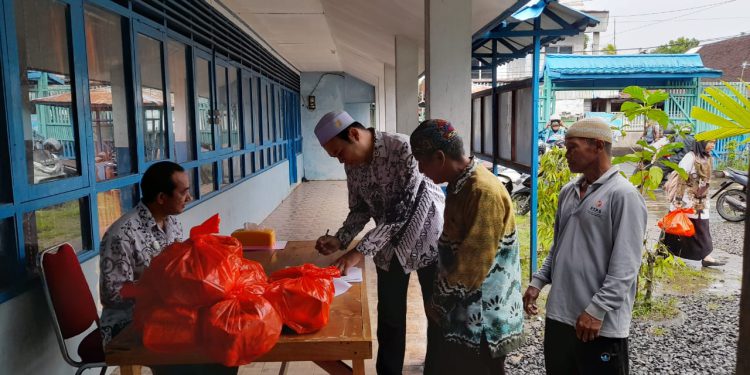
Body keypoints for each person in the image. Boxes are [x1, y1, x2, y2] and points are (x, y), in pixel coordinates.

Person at [313, 111, 445, 375]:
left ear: (354, 134)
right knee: (390, 318)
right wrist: (341, 239)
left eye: (339, 153)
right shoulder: (353, 165)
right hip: (389, 246)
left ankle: (438, 369)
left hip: (428, 238)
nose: (341, 162)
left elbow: (404, 211)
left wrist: (358, 253)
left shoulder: (403, 148)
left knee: (437, 312)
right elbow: (360, 208)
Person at [523, 117, 648, 375]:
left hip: (598, 323)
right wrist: (538, 282)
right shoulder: (568, 192)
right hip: (560, 315)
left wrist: (597, 309)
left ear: (598, 146)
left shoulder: (623, 195)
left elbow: (626, 265)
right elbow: (560, 247)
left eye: (572, 147)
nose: (566, 154)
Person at [99, 161, 237, 375]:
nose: (189, 198)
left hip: (167, 311)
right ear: (162, 198)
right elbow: (112, 295)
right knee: (196, 355)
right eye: (183, 193)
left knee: (224, 341)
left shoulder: (172, 224)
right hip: (128, 323)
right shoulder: (121, 235)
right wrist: (159, 287)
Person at [410, 119, 523, 375]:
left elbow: (474, 263)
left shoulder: (483, 191)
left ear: (439, 157)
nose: (420, 169)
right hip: (463, 310)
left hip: (482, 319)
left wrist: (437, 304)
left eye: (422, 161)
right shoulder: (461, 182)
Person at [662, 140, 725, 267]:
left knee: (701, 226)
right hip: (687, 198)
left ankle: (705, 255)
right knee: (675, 227)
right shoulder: (689, 157)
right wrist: (679, 199)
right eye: (710, 142)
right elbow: (681, 178)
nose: (713, 145)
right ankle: (664, 252)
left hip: (701, 198)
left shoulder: (707, 157)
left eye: (714, 142)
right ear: (701, 143)